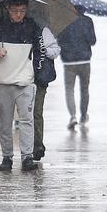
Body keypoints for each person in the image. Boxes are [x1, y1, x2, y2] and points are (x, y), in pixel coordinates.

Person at [0, 0, 49, 172]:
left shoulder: (32, 26)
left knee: (27, 120)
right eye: (15, 11)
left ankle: (27, 157)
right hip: (2, 82)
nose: (19, 15)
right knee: (5, 122)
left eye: (22, 11)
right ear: (8, 9)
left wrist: (38, 74)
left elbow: (40, 52)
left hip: (25, 82)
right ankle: (7, 157)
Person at [57, 5, 96, 131]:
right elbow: (92, 41)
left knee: (69, 89)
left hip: (69, 62)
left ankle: (73, 116)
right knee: (84, 89)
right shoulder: (88, 21)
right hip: (84, 61)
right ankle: (83, 116)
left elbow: (59, 40)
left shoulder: (63, 21)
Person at [32, 20, 60, 162]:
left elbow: (55, 51)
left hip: (39, 78)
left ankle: (37, 146)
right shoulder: (12, 29)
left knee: (36, 112)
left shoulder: (43, 30)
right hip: (18, 77)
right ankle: (26, 147)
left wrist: (43, 50)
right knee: (24, 114)